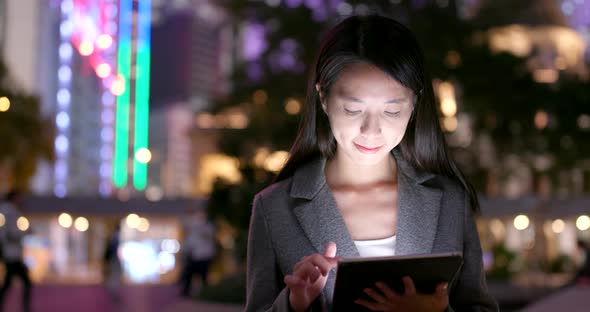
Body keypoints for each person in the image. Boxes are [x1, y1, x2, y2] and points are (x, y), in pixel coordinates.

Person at [245, 15, 498, 312]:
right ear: (323, 98)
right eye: (353, 109)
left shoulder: (450, 201)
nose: (371, 130)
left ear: (414, 104)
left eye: (392, 111)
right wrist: (293, 304)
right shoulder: (274, 208)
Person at [0, 190, 32, 312]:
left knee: (7, 284)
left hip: (12, 254)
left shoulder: (11, 211)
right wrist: (22, 234)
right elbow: (10, 233)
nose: (22, 200)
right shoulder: (8, 211)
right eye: (19, 197)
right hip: (11, 254)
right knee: (25, 281)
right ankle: (26, 307)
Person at [179, 209, 216, 297]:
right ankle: (187, 291)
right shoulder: (194, 230)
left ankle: (203, 293)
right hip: (195, 256)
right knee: (190, 274)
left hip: (204, 256)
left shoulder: (207, 227)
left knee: (203, 275)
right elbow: (189, 243)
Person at [102, 223, 122, 301]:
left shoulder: (114, 237)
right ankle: (112, 291)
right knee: (113, 277)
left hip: (112, 260)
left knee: (115, 276)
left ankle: (113, 291)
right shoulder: (114, 237)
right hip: (112, 260)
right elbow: (109, 251)